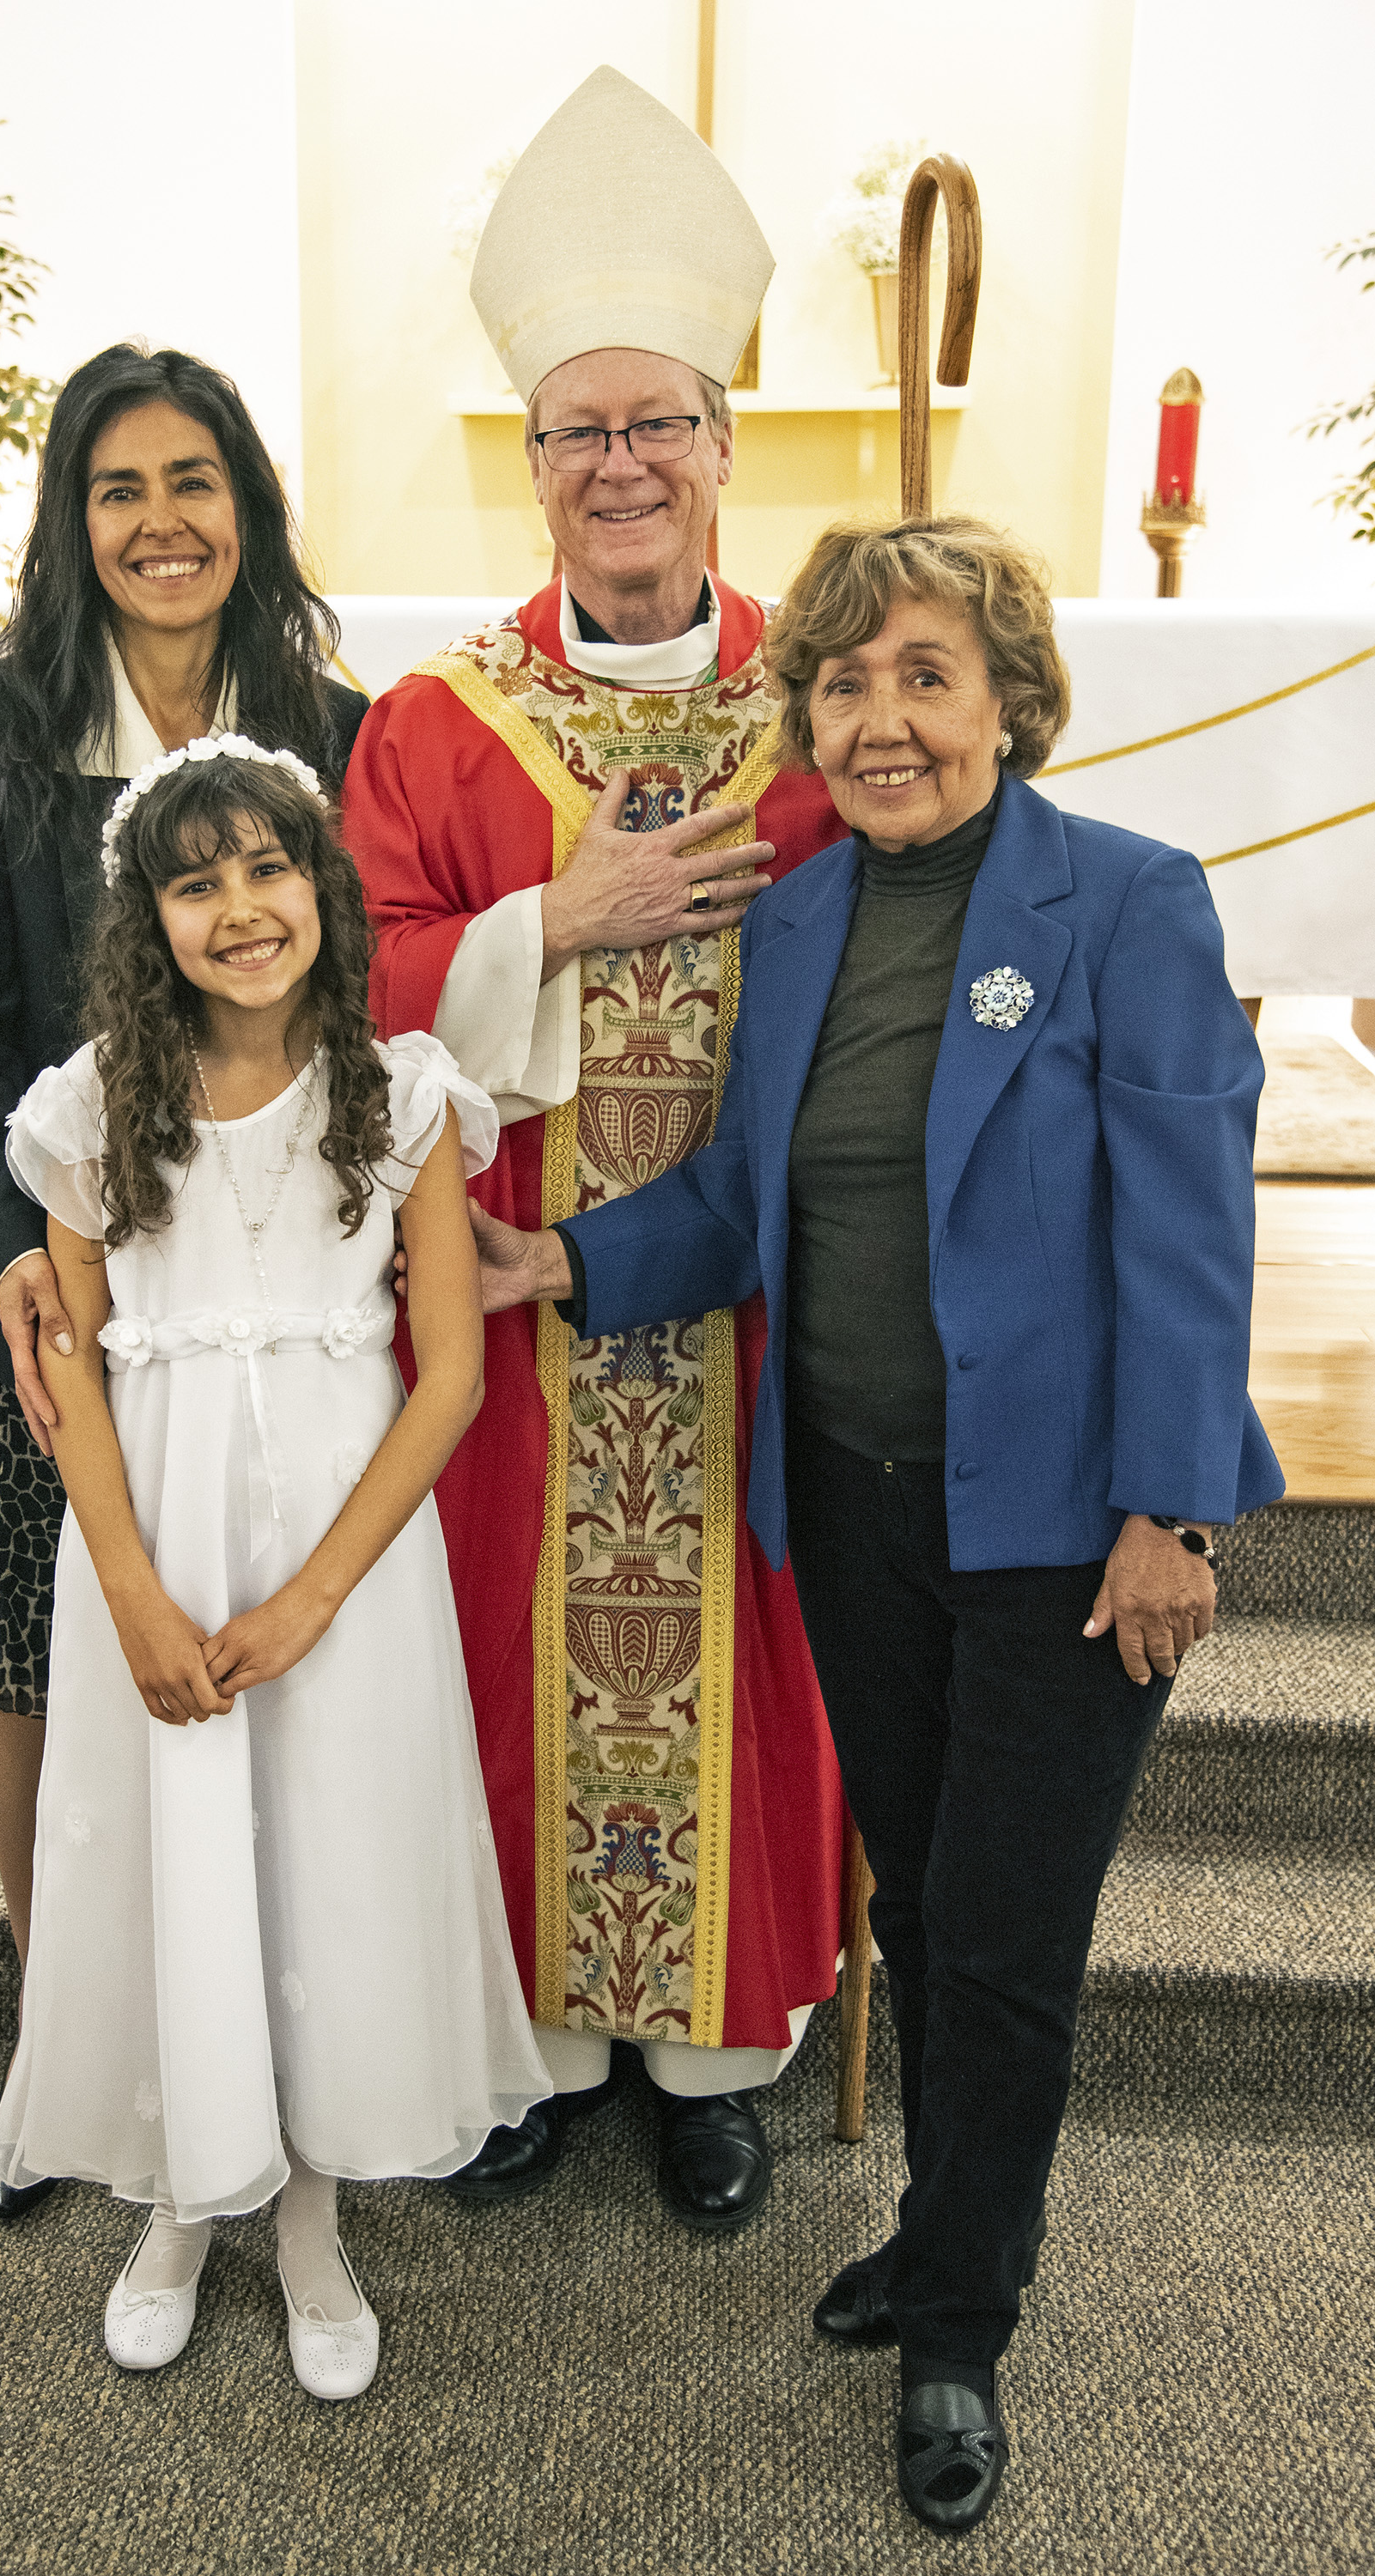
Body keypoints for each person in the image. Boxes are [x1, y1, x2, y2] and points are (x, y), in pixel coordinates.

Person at [464, 515, 1284, 2533]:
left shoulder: (1124, 905)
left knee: (999, 1946)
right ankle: (935, 2242)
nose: (879, 716)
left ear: (1007, 696)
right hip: (844, 1500)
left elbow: (1186, 1240)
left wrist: (1170, 1511)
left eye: (923, 675)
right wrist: (551, 1259)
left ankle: (958, 2336)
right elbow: (745, 1203)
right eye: (840, 680)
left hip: (1056, 1530)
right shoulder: (805, 921)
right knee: (912, 1899)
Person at [345, 64, 844, 2233]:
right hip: (515, 1299)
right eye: (580, 431)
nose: (620, 464)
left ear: (728, 450)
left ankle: (716, 2054)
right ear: (531, 464)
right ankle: (530, 2046)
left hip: (751, 1301)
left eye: (660, 424)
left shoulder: (834, 709)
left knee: (749, 1628)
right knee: (498, 1639)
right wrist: (562, 921)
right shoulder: (432, 724)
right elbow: (349, 979)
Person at [0, 344, 368, 2220]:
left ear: (247, 504)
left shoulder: (335, 712)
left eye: (192, 481)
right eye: (118, 489)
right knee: (33, 1651)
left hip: (257, 1276)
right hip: (43, 1282)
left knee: (247, 1634)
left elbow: (359, 993)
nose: (161, 524)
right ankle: (54, 2033)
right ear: (74, 522)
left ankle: (273, 2031)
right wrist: (17, 1259)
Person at [0, 742, 547, 2396]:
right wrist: (139, 1597)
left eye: (266, 869)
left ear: (323, 884)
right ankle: (176, 2198)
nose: (239, 909)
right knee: (178, 1859)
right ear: (146, 919)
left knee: (320, 1863)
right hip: (152, 1543)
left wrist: (310, 1598)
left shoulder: (404, 1092)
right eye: (194, 880)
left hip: (344, 1567)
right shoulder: (92, 1108)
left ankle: (307, 2221)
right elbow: (74, 1372)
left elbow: (446, 1371)